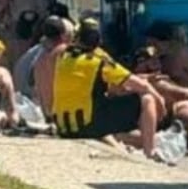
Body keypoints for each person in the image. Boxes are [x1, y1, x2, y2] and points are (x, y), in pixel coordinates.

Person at [51, 19, 166, 158]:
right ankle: (150, 152)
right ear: (99, 40)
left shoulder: (63, 57)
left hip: (63, 127)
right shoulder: (99, 61)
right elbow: (142, 86)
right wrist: (160, 100)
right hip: (87, 126)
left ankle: (124, 144)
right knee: (147, 99)